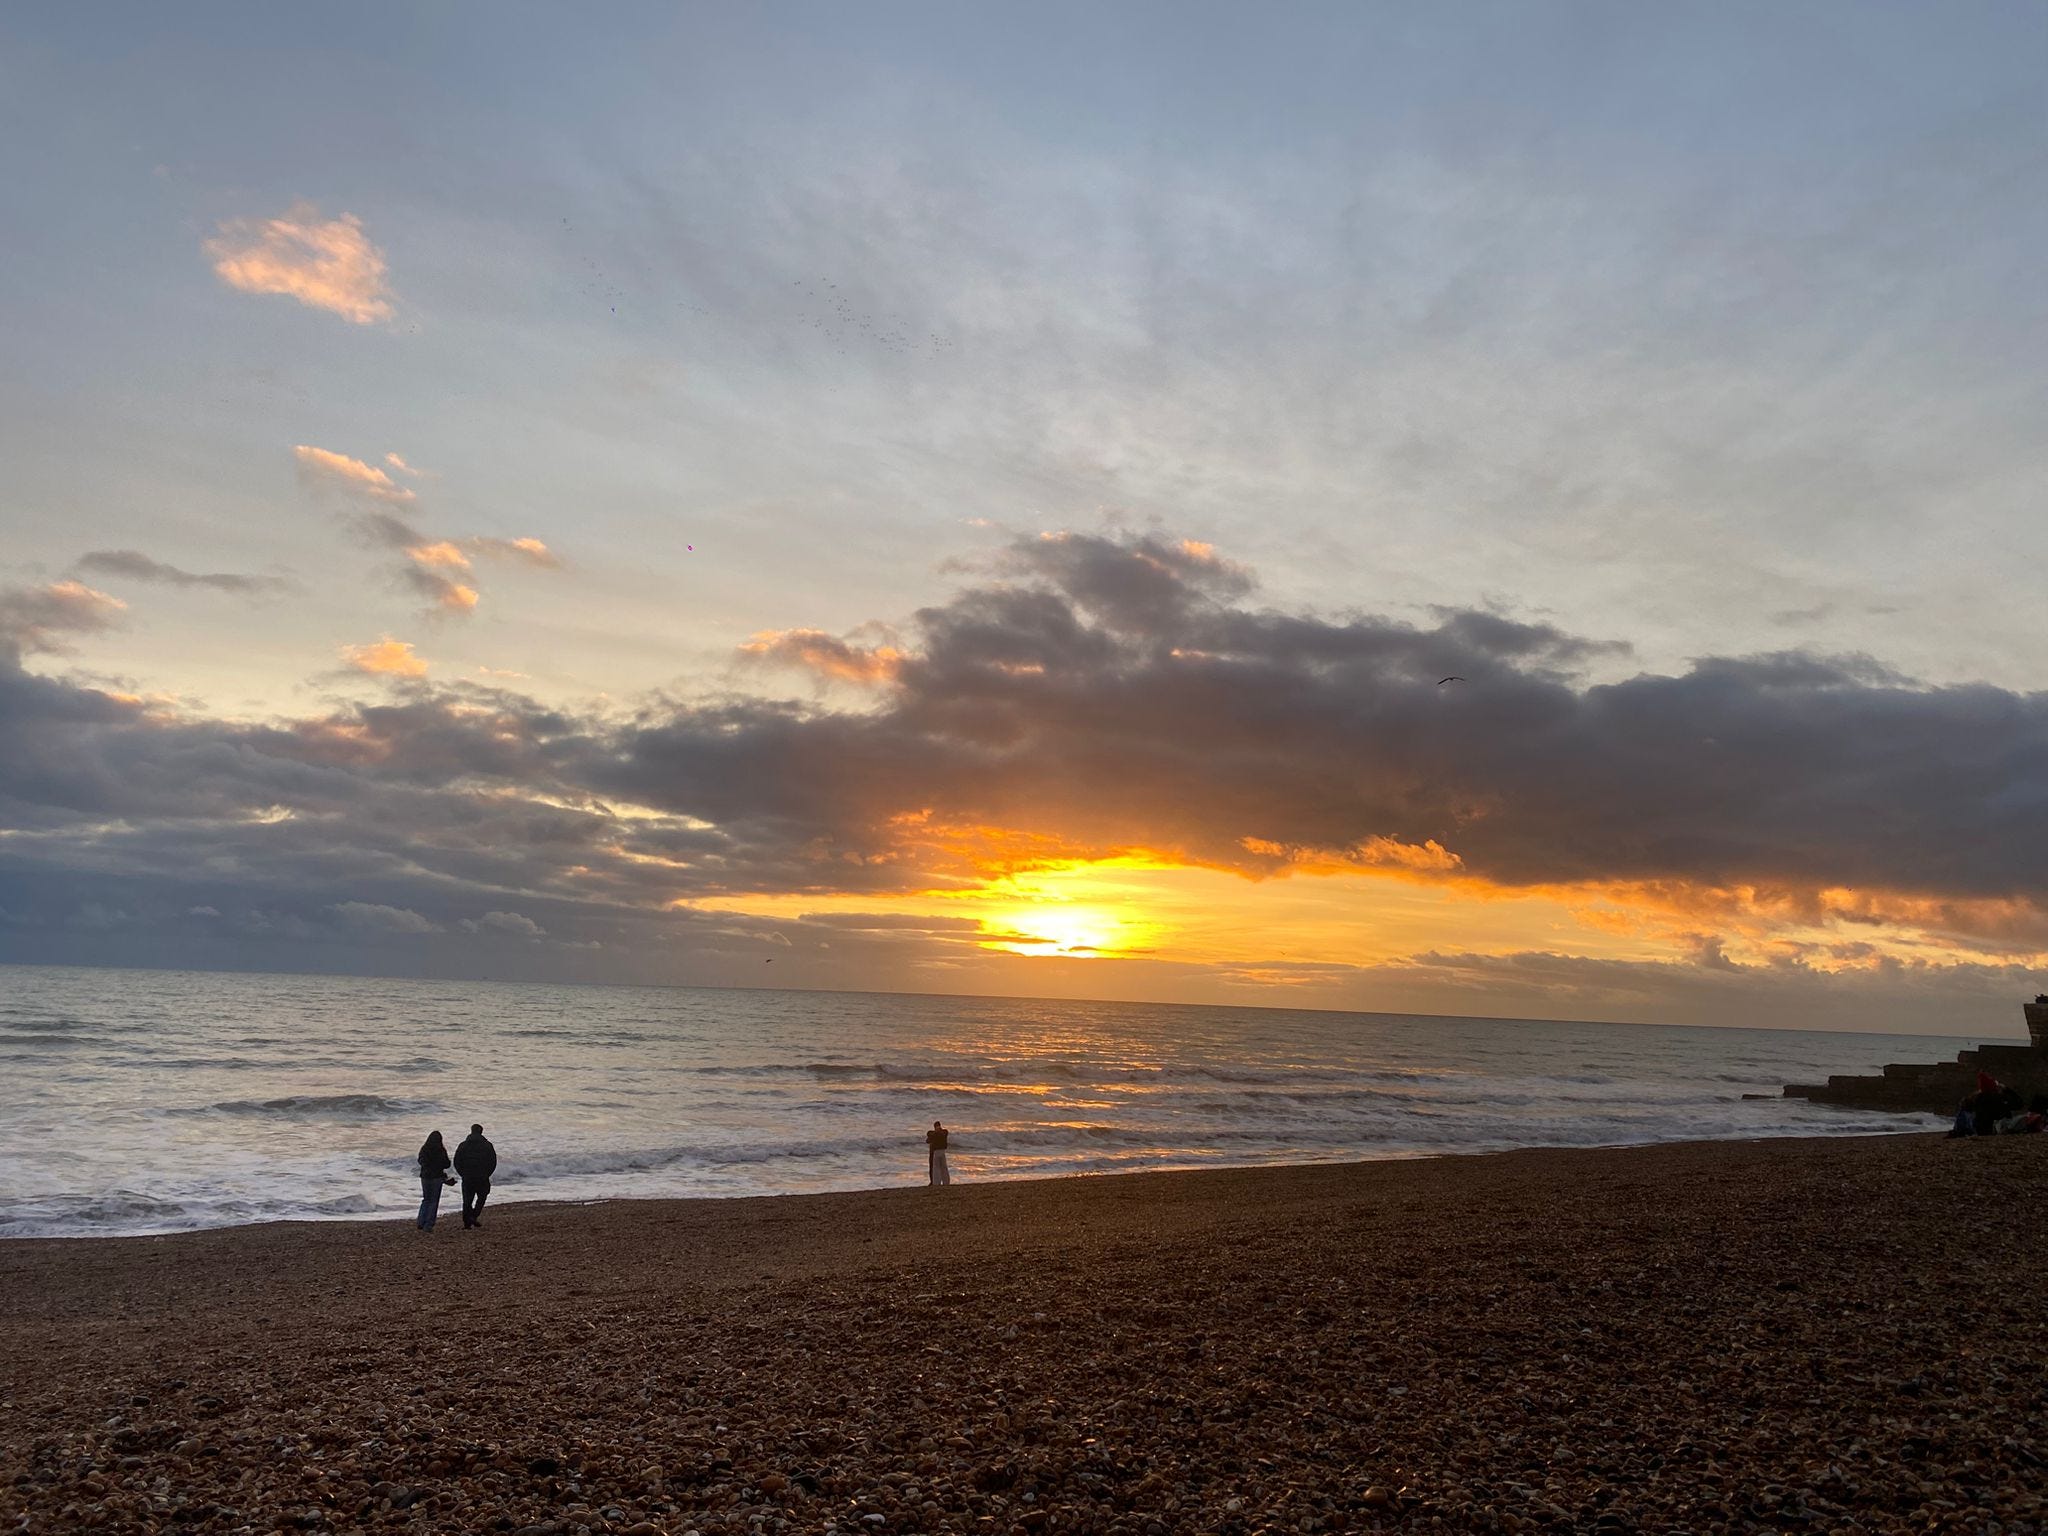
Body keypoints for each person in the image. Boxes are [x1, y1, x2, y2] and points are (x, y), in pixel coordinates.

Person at [453, 1123, 497, 1228]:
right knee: (482, 1197)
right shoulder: (487, 1145)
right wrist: (487, 1173)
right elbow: (493, 1162)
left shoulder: (463, 1145)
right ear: (481, 1132)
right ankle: (474, 1215)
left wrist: (462, 1173)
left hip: (467, 1176)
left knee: (467, 1200)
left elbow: (457, 1161)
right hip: (482, 1176)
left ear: (471, 1131)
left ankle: (467, 1223)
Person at [417, 1130, 452, 1231]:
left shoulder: (425, 1148)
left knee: (426, 1199)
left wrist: (428, 1166)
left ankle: (421, 1222)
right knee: (434, 1201)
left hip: (425, 1176)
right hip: (437, 1177)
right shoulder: (441, 1150)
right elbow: (447, 1164)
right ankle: (428, 1225)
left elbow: (420, 1161)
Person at [925, 1120, 951, 1187]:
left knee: (936, 1167)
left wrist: (936, 1132)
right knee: (942, 1167)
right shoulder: (942, 1133)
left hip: (936, 1151)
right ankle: (945, 1182)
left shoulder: (941, 1133)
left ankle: (937, 1182)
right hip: (940, 1151)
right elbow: (928, 1139)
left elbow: (928, 1139)